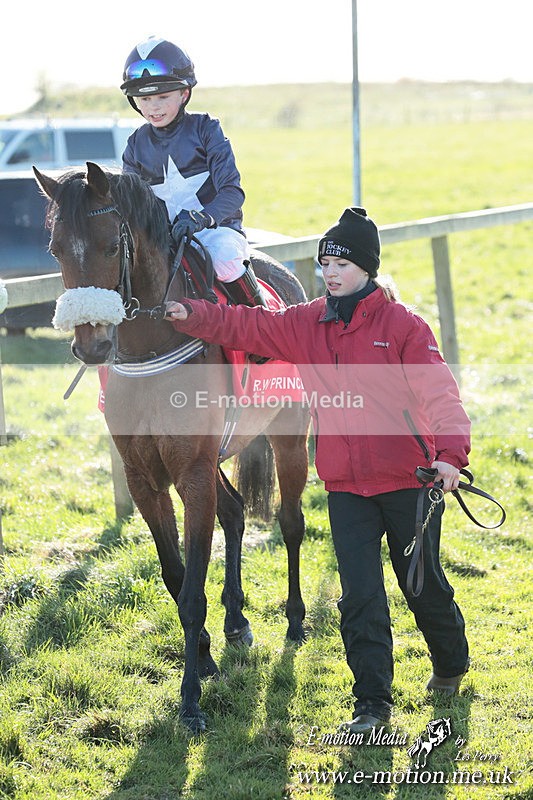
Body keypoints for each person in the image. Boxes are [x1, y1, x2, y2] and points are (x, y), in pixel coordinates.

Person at [164, 207, 471, 734]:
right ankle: (372, 704)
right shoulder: (307, 322)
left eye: (342, 264)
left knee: (421, 587)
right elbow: (246, 324)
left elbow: (440, 393)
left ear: (367, 269)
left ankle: (450, 661)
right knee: (360, 597)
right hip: (346, 485)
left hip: (409, 482)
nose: (330, 272)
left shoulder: (404, 326)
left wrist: (449, 455)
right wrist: (188, 313)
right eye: (325, 262)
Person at [120, 36, 264, 307]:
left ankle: (262, 323)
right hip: (163, 239)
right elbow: (132, 206)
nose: (154, 106)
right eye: (145, 98)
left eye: (163, 96)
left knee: (223, 258)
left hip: (215, 230)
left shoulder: (206, 128)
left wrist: (200, 219)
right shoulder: (135, 144)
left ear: (184, 94)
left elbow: (233, 193)